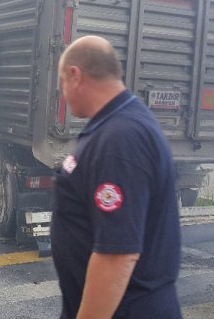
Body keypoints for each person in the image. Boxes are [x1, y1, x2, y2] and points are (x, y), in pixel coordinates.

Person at [51, 35, 181, 318]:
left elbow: (117, 255)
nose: (62, 93)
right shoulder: (116, 126)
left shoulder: (120, 139)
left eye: (62, 83)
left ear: (75, 75)